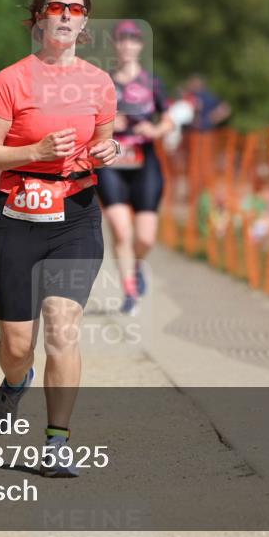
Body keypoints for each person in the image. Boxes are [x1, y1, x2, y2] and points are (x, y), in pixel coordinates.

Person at [0, 0, 119, 477]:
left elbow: (106, 141)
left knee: (62, 327)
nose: (65, 15)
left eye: (76, 9)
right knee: (16, 346)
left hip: (75, 217)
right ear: (38, 19)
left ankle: (57, 441)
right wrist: (34, 152)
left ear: (84, 22)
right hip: (16, 215)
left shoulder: (99, 82)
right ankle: (16, 384)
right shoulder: (12, 79)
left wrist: (109, 150)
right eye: (55, 7)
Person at [95, 20, 174, 315]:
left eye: (133, 40)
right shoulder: (104, 83)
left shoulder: (152, 83)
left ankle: (137, 266)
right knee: (120, 229)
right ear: (116, 45)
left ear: (140, 45)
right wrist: (109, 123)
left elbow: (168, 119)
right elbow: (90, 118)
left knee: (145, 238)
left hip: (144, 160)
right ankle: (129, 290)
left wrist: (155, 131)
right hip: (112, 160)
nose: (127, 45)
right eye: (122, 39)